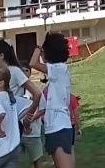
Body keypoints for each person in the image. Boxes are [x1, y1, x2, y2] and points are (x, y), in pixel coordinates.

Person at [29, 34, 73, 168]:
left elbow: (33, 63)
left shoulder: (59, 68)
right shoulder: (58, 71)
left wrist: (39, 44)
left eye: (42, 51)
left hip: (59, 127)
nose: (41, 53)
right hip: (57, 126)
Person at [0, 41, 40, 123]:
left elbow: (37, 93)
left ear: (1, 56)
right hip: (3, 119)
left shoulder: (14, 71)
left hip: (13, 119)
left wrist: (28, 114)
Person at [17, 69, 43, 168]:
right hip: (17, 132)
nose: (24, 73)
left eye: (26, 70)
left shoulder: (35, 90)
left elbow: (42, 109)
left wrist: (30, 119)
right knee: (14, 160)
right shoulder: (15, 89)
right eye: (21, 71)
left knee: (36, 160)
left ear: (30, 72)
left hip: (32, 131)